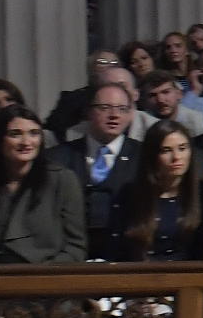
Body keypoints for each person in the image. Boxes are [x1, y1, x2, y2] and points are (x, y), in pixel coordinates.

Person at [0, 107, 88, 263]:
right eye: (15, 134)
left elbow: (75, 247)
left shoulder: (62, 180)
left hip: (42, 273)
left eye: (34, 133)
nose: (26, 142)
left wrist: (44, 273)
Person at [54, 81, 143, 259]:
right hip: (71, 259)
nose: (114, 115)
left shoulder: (144, 156)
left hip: (127, 259)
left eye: (122, 109)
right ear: (88, 111)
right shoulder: (58, 157)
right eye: (105, 108)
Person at [108, 125, 203, 261]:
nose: (176, 157)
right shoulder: (129, 195)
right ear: (152, 155)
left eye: (182, 148)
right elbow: (116, 249)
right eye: (166, 150)